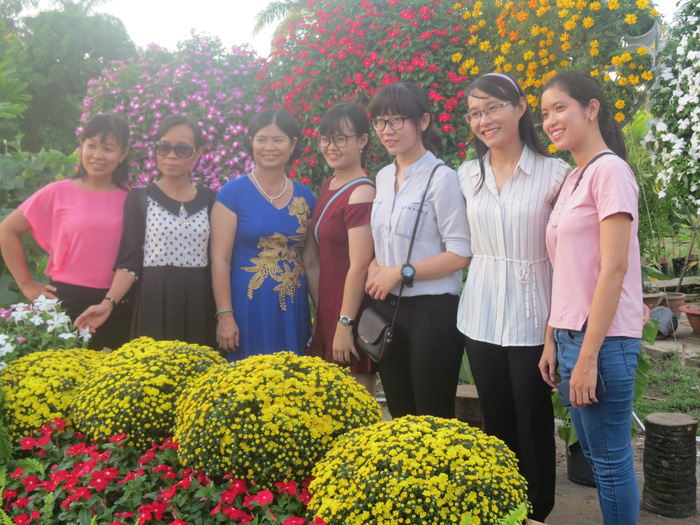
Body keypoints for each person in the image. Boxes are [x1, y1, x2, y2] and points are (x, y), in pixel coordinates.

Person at [457, 72, 569, 521]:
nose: (484, 120)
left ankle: (537, 510)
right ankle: (504, 504)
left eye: (492, 108)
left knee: (533, 416)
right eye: (475, 113)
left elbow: (567, 256)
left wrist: (553, 332)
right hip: (480, 314)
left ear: (520, 108)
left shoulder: (555, 173)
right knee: (496, 418)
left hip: (533, 314)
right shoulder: (466, 175)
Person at [539, 70, 643, 525]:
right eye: (545, 113)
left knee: (609, 462)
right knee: (600, 461)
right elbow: (567, 270)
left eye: (559, 108)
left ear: (591, 108)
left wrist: (588, 357)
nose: (550, 120)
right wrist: (552, 339)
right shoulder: (573, 178)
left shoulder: (610, 172)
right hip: (571, 337)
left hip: (602, 341)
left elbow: (614, 268)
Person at [365, 82, 470, 418]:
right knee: (399, 413)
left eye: (397, 120)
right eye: (380, 122)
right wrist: (375, 265)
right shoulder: (382, 177)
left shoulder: (443, 178)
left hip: (432, 313)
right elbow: (384, 240)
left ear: (423, 121)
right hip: (388, 310)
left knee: (432, 415)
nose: (387, 130)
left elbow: (460, 253)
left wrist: (402, 271)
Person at [75, 114, 216, 346]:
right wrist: (108, 303)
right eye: (164, 147)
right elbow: (130, 263)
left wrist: (225, 313)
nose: (171, 155)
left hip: (198, 302)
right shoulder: (140, 198)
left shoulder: (211, 200)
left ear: (198, 152)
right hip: (153, 300)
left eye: (182, 149)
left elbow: (219, 262)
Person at [0, 114, 132, 350]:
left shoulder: (133, 200)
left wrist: (111, 300)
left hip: (116, 303)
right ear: (82, 148)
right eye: (91, 145)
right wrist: (27, 285)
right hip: (65, 303)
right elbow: (7, 230)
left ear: (123, 154)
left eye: (108, 148)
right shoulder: (57, 192)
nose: (97, 155)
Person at [211, 108, 318, 360]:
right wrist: (225, 316)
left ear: (292, 145)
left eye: (278, 139)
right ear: (252, 142)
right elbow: (220, 260)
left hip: (292, 309)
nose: (269, 147)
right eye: (262, 139)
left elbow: (312, 264)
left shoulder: (306, 197)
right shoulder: (232, 194)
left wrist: (322, 317)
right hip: (246, 308)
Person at [307, 103, 376, 394]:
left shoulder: (362, 191)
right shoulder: (329, 185)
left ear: (362, 141)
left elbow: (359, 264)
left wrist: (345, 324)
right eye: (325, 138)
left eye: (341, 138)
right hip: (330, 308)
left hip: (351, 312)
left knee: (356, 405)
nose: (331, 146)